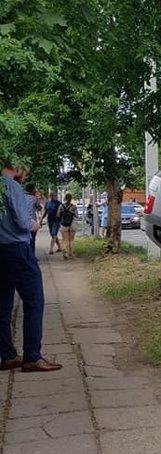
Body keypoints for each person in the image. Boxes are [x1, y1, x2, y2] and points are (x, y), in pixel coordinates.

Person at [0, 159, 62, 372]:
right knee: (34, 300)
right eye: (26, 169)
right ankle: (32, 356)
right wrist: (33, 225)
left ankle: (7, 356)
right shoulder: (11, 186)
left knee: (3, 305)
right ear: (16, 167)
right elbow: (19, 219)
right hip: (18, 249)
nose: (26, 174)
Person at [57, 193, 78, 259]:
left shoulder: (61, 206)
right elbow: (77, 216)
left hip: (64, 224)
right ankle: (71, 254)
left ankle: (64, 254)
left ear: (65, 198)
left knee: (65, 240)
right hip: (72, 223)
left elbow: (57, 215)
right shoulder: (74, 207)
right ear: (71, 199)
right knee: (71, 240)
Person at [24, 182, 40, 254]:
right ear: (33, 190)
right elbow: (38, 208)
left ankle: (26, 255)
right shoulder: (34, 199)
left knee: (24, 240)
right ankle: (32, 256)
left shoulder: (21, 197)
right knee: (32, 239)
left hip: (23, 221)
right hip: (32, 222)